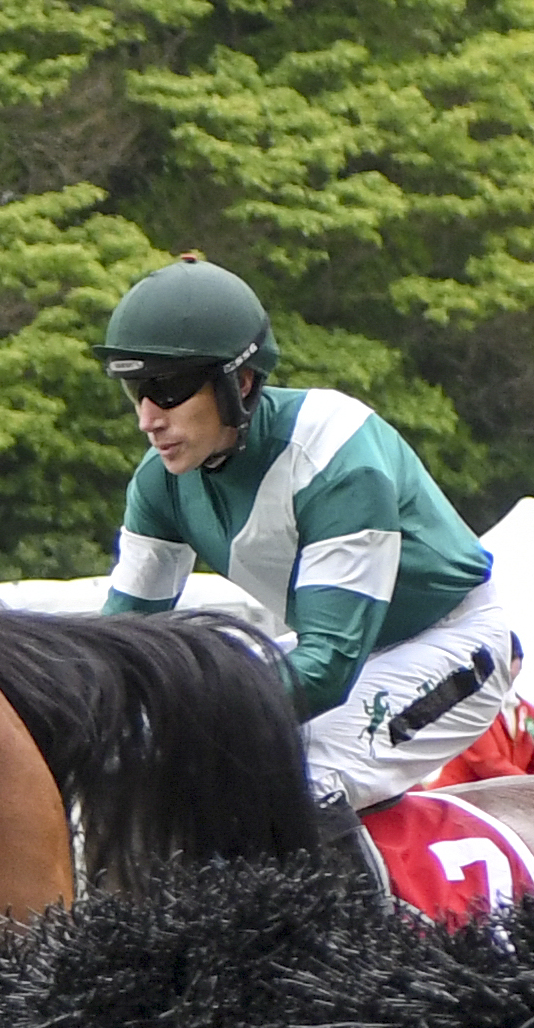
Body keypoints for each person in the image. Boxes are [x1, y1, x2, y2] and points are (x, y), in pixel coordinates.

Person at [96, 256, 512, 819]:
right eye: (135, 391)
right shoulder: (158, 483)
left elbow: (328, 667)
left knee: (288, 787)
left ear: (239, 383)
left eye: (166, 390)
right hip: (346, 654)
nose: (148, 419)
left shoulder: (336, 453)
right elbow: (119, 644)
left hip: (453, 641)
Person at [428, 643, 534, 786]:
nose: (504, 667)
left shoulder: (528, 713)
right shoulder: (471, 709)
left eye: (510, 659)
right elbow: (488, 763)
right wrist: (531, 787)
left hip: (505, 798)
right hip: (459, 801)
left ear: (520, 663)